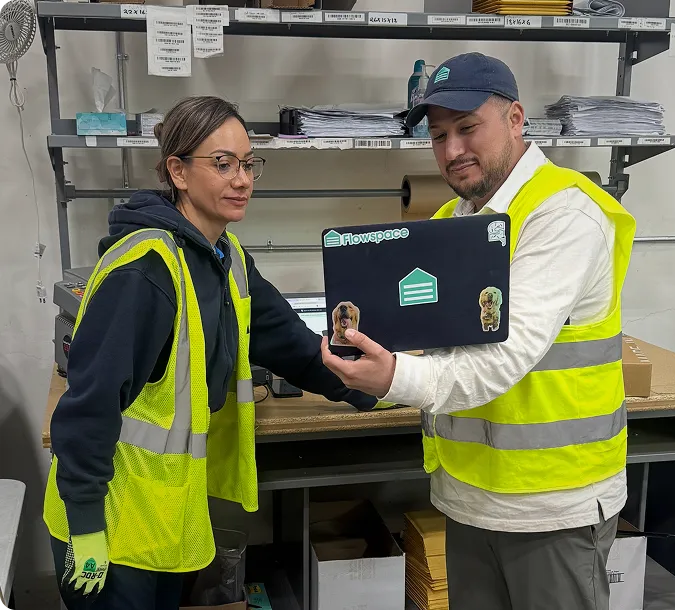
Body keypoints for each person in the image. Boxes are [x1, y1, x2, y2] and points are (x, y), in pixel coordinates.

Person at [322, 52, 636, 610]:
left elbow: (501, 357)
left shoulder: (564, 215)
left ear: (516, 119)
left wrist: (392, 376)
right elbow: (431, 330)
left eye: (468, 128)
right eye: (439, 135)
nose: (452, 150)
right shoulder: (452, 223)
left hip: (552, 504)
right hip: (469, 497)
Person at [43, 95, 377, 609]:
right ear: (177, 171)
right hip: (108, 526)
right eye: (222, 164)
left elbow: (291, 345)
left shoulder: (227, 258)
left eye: (248, 164)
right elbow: (87, 407)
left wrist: (379, 386)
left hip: (164, 518)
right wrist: (85, 524)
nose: (241, 179)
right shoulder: (146, 271)